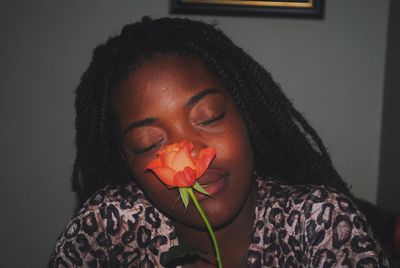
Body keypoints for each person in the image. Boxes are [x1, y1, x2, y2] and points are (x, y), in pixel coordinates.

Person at [49, 17, 389, 267]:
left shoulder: (321, 221)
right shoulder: (106, 226)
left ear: (245, 115)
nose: (191, 155)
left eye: (209, 117)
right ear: (127, 163)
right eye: (150, 142)